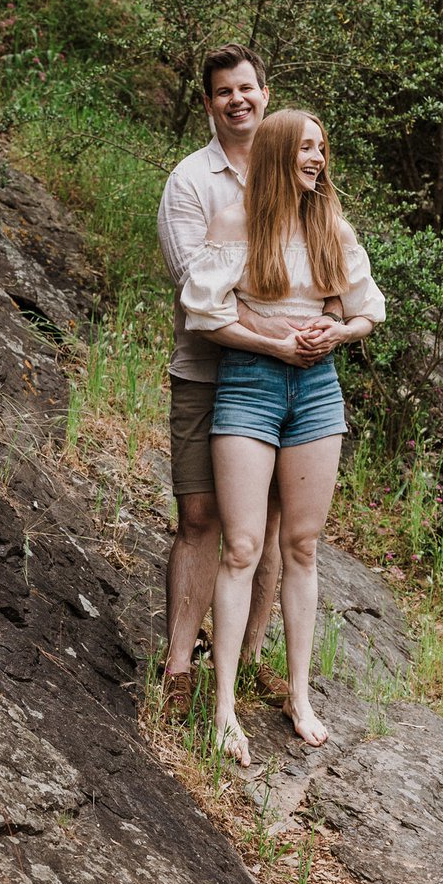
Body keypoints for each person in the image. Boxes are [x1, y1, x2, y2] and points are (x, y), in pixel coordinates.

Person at [180, 108, 384, 763]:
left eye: (322, 149)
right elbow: (206, 317)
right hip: (247, 384)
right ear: (275, 154)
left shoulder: (331, 227)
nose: (317, 160)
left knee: (301, 544)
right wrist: (273, 342)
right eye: (305, 149)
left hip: (318, 391)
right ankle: (223, 710)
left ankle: (299, 696)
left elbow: (368, 310)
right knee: (241, 546)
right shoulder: (237, 222)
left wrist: (338, 332)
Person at [154, 46, 287, 722]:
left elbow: (316, 263)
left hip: (280, 378)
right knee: (201, 517)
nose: (237, 100)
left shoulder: (294, 167)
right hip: (207, 375)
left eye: (246, 88)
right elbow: (199, 296)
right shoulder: (188, 182)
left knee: (267, 521)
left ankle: (249, 655)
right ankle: (178, 664)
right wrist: (273, 313)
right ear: (207, 105)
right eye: (222, 92)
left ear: (265, 93)